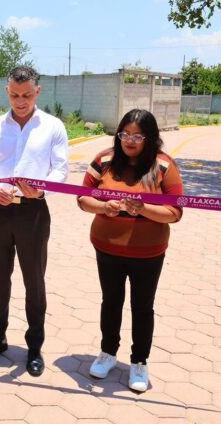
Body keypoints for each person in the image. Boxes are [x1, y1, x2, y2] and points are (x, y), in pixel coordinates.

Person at [77, 108, 183, 392]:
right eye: (125, 134)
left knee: (142, 306)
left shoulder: (163, 166)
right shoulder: (104, 161)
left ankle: (139, 362)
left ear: (151, 138)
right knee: (110, 301)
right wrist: (103, 207)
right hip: (107, 248)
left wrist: (144, 209)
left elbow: (175, 211)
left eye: (138, 136)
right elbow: (83, 198)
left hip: (148, 253)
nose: (130, 141)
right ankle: (108, 353)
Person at [0, 65, 69, 377]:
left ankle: (34, 347)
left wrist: (43, 189)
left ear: (37, 92)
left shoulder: (52, 127)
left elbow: (60, 169)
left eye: (27, 95)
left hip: (33, 211)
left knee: (34, 282)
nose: (21, 100)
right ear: (7, 91)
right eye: (15, 94)